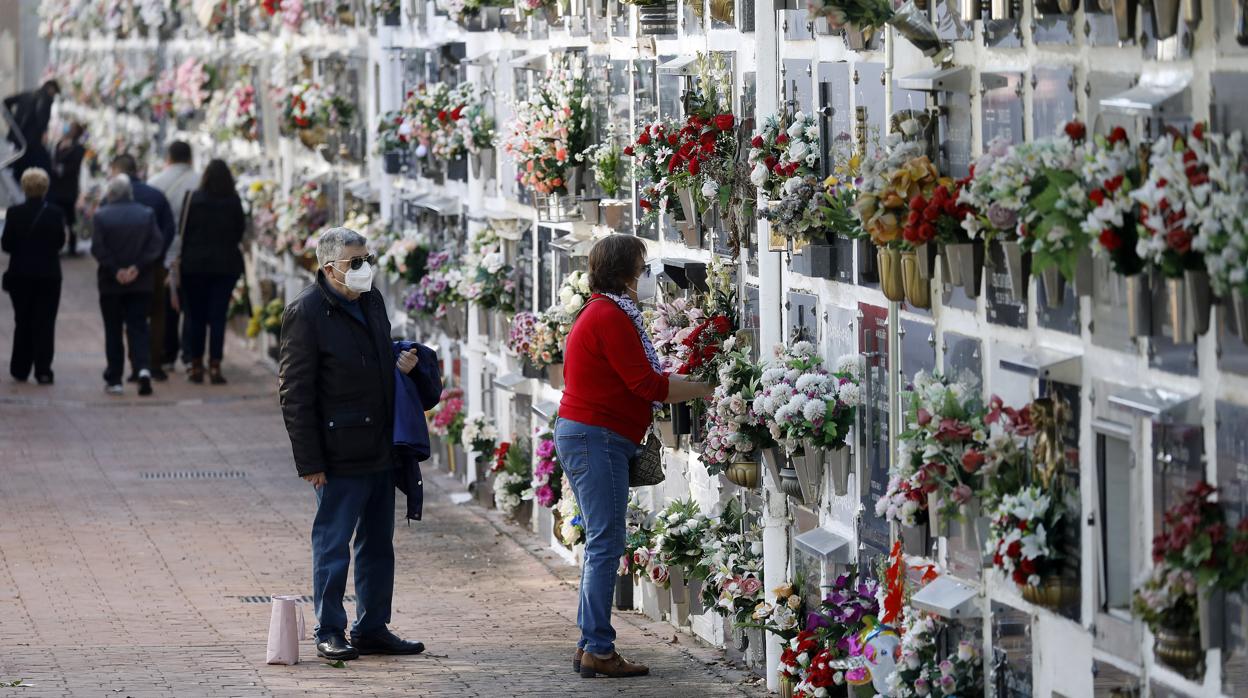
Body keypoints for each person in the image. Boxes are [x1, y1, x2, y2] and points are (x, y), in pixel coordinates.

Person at [555, 235, 714, 679]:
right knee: (606, 543)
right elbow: (647, 385)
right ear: (626, 273)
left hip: (594, 434)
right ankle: (599, 649)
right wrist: (706, 386)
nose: (646, 278)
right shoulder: (609, 315)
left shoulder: (608, 311)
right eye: (643, 269)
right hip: (596, 436)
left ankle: (591, 644)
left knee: (602, 542)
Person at [278, 227, 428, 662]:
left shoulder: (371, 300)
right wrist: (309, 460)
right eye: (356, 262)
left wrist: (402, 362)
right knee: (333, 543)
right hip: (338, 450)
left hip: (380, 445)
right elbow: (294, 392)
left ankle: (373, 626)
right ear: (330, 269)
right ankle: (329, 629)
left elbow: (375, 357)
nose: (366, 268)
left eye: (368, 258)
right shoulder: (305, 312)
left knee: (378, 542)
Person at [90, 175, 163, 397]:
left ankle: (115, 378)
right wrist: (137, 268)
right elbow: (155, 245)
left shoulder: (101, 216)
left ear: (110, 194)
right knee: (138, 326)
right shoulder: (146, 214)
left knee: (113, 330)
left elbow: (97, 248)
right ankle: (142, 368)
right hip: (140, 283)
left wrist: (116, 270)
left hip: (111, 284)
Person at [173, 159, 244, 385]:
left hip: (194, 267)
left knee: (195, 316)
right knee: (218, 316)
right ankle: (215, 365)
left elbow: (182, 230)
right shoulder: (233, 201)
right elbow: (239, 231)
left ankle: (195, 365)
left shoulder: (193, 198)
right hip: (225, 265)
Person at [110, 153, 175, 381]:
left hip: (122, 267)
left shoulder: (113, 196)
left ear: (116, 171)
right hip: (153, 265)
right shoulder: (155, 196)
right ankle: (154, 364)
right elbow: (169, 228)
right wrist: (157, 253)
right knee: (157, 314)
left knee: (131, 316)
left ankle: (137, 363)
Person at [2, 168, 66, 384]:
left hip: (21, 274)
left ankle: (20, 368)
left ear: (24, 187)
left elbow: (7, 245)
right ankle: (43, 369)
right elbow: (60, 243)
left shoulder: (14, 213)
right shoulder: (56, 213)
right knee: (46, 322)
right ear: (45, 188)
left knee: (23, 321)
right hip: (49, 275)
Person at [147, 140, 199, 373]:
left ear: (168, 158)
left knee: (165, 306)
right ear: (190, 159)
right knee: (190, 305)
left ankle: (167, 353)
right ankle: (189, 354)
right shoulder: (200, 181)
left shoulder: (155, 183)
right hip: (190, 252)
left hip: (163, 252)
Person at [3, 80, 59, 179]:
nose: (53, 96)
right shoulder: (46, 98)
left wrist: (11, 121)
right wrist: (43, 132)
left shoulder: (27, 94)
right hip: (30, 143)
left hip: (16, 137)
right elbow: (41, 116)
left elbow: (6, 102)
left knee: (12, 169)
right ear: (50, 89)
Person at [49, 122, 85, 255]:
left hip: (69, 189)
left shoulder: (79, 148)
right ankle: (58, 245)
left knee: (71, 220)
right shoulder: (59, 145)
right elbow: (54, 162)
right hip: (58, 188)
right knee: (59, 219)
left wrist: (63, 153)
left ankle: (72, 246)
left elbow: (71, 167)